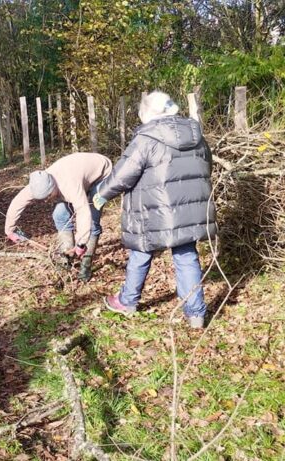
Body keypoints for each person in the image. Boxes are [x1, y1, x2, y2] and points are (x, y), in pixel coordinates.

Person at [93, 91, 217, 329]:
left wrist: (102, 194)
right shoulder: (195, 133)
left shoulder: (147, 138)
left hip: (152, 208)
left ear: (148, 113)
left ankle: (127, 301)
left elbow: (124, 173)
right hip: (190, 207)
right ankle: (196, 314)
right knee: (186, 254)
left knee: (141, 251)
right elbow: (206, 165)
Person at [5, 152, 112, 281]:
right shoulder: (38, 182)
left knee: (92, 221)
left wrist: (81, 243)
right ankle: (66, 259)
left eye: (49, 196)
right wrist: (9, 230)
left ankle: (85, 266)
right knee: (59, 215)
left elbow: (83, 211)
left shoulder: (70, 185)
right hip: (78, 174)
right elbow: (18, 202)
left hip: (101, 174)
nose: (47, 200)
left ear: (53, 186)